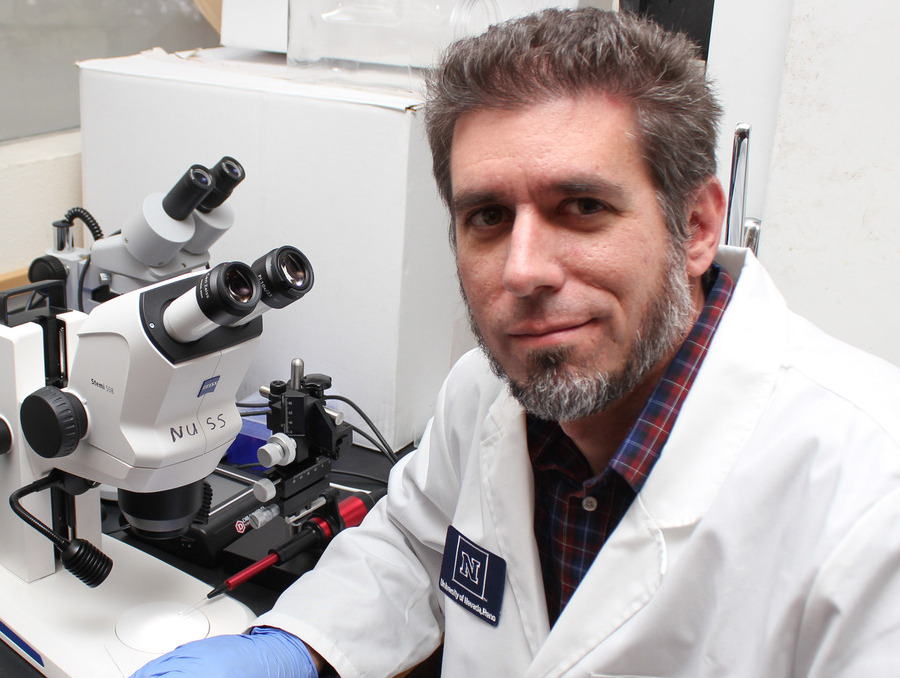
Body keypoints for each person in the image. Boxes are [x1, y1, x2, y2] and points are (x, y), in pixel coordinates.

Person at [133, 7, 900, 677]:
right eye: (489, 217)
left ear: (696, 227)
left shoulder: (869, 501)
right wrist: (299, 643)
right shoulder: (483, 392)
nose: (523, 272)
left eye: (582, 206)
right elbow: (413, 546)